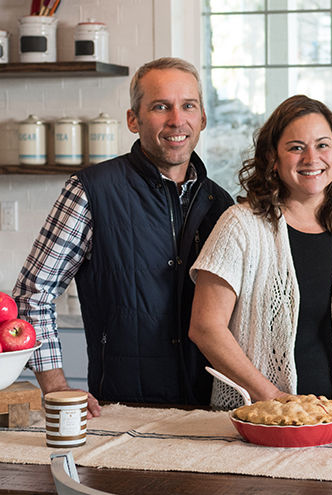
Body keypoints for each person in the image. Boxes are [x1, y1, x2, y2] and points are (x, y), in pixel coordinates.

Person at [13, 57, 234, 418]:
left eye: (188, 106)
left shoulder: (220, 203)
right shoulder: (90, 191)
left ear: (203, 119)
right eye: (161, 106)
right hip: (120, 411)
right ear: (134, 120)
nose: (177, 120)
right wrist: (55, 386)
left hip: (208, 413)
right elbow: (32, 294)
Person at [188, 94, 332, 418]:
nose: (311, 157)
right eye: (295, 147)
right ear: (273, 158)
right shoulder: (240, 226)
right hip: (256, 421)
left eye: (322, 145)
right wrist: (272, 397)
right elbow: (205, 327)